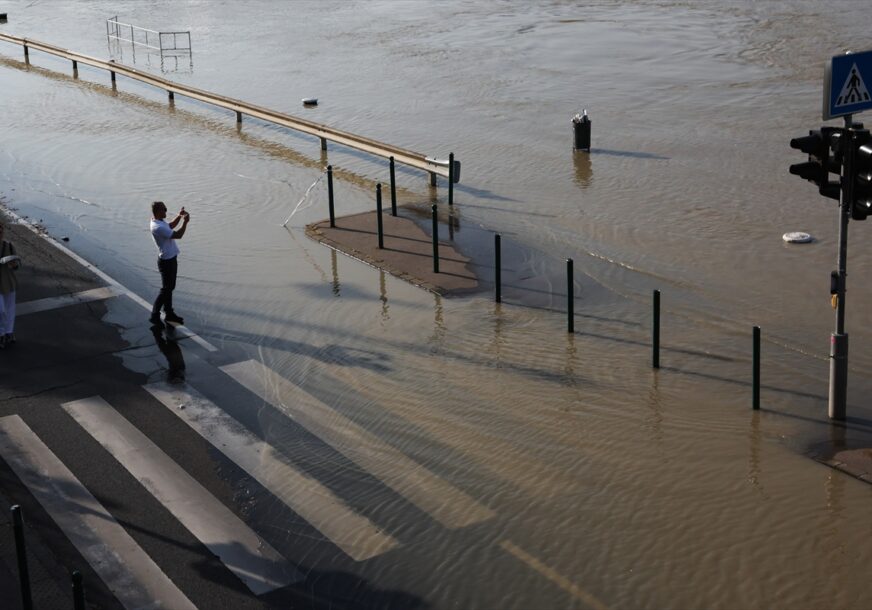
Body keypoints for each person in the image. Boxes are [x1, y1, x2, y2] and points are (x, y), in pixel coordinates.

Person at [150, 201, 190, 328]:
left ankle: (169, 314)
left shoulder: (159, 221)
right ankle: (154, 315)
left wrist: (179, 216)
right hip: (167, 261)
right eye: (164, 209)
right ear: (157, 211)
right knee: (166, 289)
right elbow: (178, 235)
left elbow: (171, 226)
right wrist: (185, 222)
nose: (166, 211)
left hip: (170, 258)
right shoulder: (158, 227)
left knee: (169, 288)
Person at [0, 220, 21, 348]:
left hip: (8, 282)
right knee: (1, 310)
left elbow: (16, 266)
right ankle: (1, 333)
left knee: (9, 309)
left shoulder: (9, 246)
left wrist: (14, 265)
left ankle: (8, 333)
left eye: (1, 230)